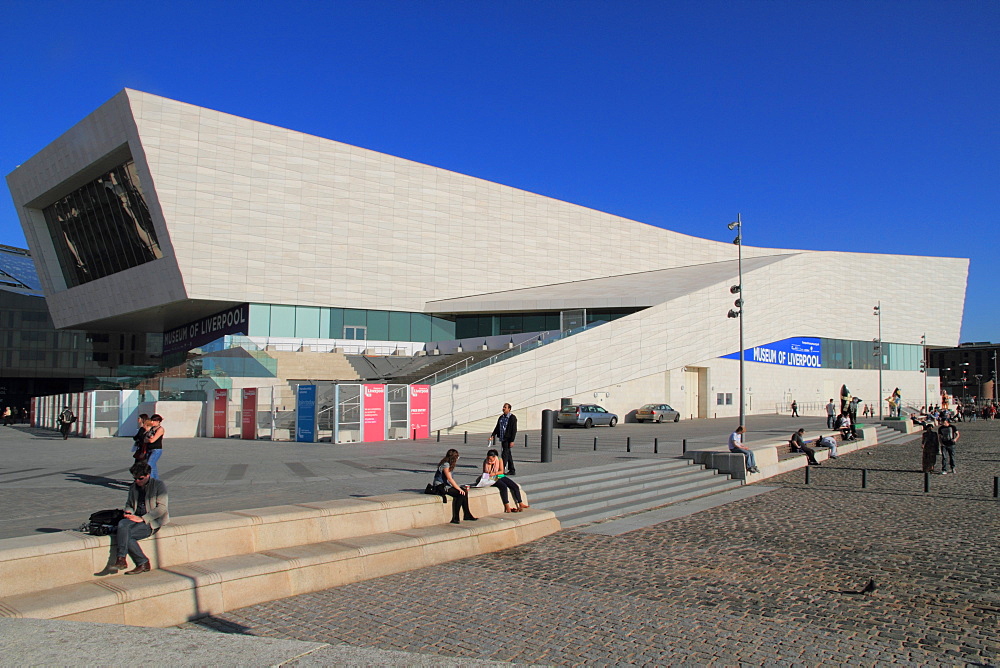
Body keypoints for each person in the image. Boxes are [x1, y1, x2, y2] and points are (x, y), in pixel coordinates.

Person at [95, 461, 169, 576]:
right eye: (135, 479)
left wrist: (143, 518)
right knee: (122, 524)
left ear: (148, 475)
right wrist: (129, 511)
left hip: (151, 521)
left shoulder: (159, 485)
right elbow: (129, 503)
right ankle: (121, 559)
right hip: (134, 517)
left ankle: (142, 562)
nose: (137, 481)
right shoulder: (133, 487)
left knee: (126, 535)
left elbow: (162, 508)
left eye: (140, 478)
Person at [432, 449, 477, 524]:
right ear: (453, 458)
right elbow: (449, 479)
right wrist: (459, 489)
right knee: (460, 493)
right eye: (457, 457)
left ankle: (467, 514)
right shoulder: (446, 464)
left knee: (464, 492)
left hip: (446, 485)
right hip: (440, 486)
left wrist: (460, 489)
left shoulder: (449, 464)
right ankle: (456, 517)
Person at [490, 403, 518, 476]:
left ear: (509, 409)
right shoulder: (501, 417)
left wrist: (512, 440)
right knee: (508, 453)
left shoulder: (512, 418)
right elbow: (497, 427)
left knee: (504, 454)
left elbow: (514, 429)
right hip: (502, 438)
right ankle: (512, 469)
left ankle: (501, 470)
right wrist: (493, 435)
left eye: (505, 407)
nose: (503, 408)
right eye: (503, 407)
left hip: (508, 438)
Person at [144, 414, 164, 478]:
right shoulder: (152, 428)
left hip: (156, 449)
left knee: (149, 465)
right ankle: (156, 482)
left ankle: (151, 482)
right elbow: (145, 439)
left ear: (158, 421)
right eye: (151, 421)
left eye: (153, 421)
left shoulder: (160, 429)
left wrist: (149, 439)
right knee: (153, 467)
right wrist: (149, 439)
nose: (152, 422)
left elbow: (152, 440)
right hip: (149, 449)